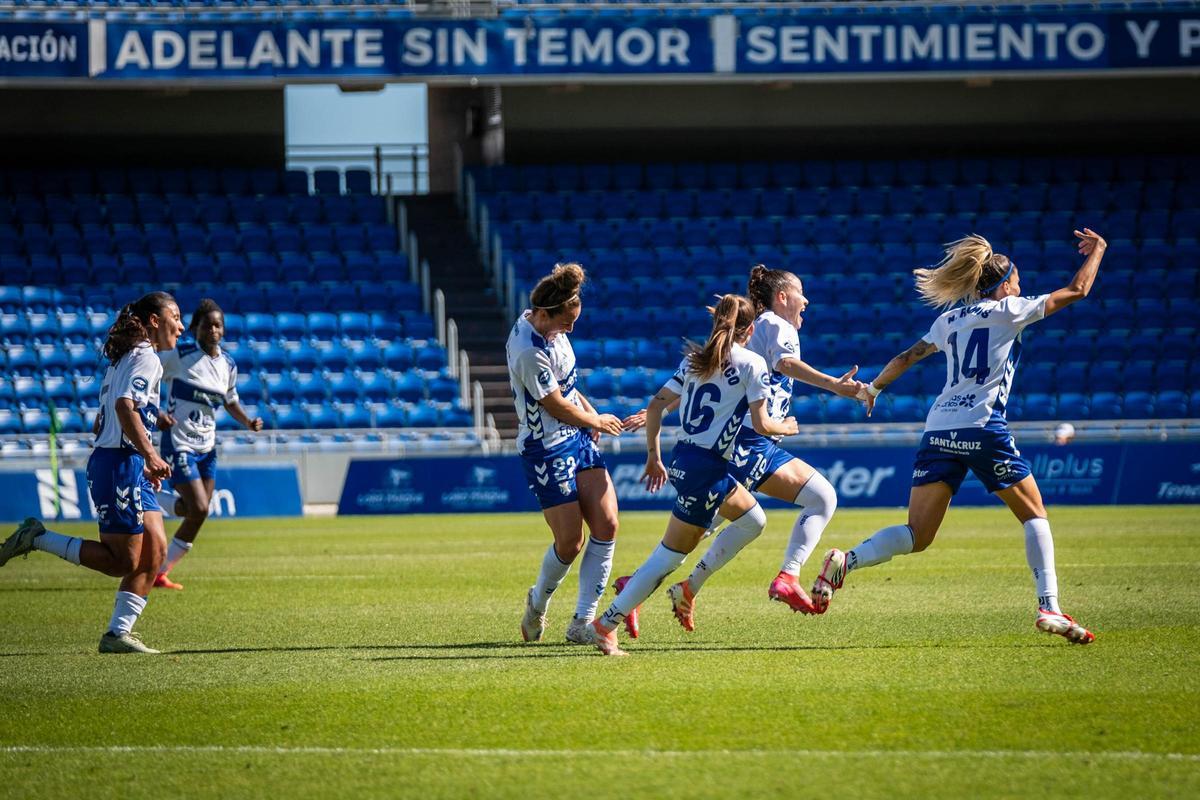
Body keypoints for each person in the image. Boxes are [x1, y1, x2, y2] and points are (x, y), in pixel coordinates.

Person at [812, 230, 1107, 644]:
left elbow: (905, 357)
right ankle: (1049, 606)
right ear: (1004, 285)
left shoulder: (948, 320)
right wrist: (1099, 251)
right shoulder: (1012, 310)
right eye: (1016, 280)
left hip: (939, 428)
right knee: (1034, 514)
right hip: (982, 426)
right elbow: (1078, 289)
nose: (1020, 286)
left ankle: (845, 561)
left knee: (918, 534)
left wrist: (873, 389)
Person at [589, 294, 799, 656]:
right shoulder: (752, 363)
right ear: (749, 330)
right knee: (669, 556)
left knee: (753, 519)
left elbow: (655, 405)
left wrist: (653, 456)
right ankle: (606, 623)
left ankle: (627, 608)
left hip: (686, 457)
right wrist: (788, 426)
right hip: (705, 467)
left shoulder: (695, 360)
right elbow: (763, 425)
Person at [0, 292, 184, 653]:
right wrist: (148, 455)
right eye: (174, 317)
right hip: (119, 463)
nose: (180, 325)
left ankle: (117, 634)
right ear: (153, 321)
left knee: (156, 551)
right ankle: (36, 537)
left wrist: (141, 454)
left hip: (122, 461)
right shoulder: (146, 358)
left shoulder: (125, 360)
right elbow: (123, 406)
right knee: (122, 561)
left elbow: (106, 415)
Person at [508, 263, 636, 645]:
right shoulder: (528, 348)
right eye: (566, 322)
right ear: (545, 314)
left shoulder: (551, 328)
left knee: (608, 524)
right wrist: (597, 419)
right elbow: (554, 405)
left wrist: (590, 417)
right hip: (545, 448)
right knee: (570, 542)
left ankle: (583, 621)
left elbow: (569, 389)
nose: (571, 330)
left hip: (577, 437)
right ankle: (537, 604)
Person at [153, 298, 264, 590]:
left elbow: (230, 400)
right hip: (179, 443)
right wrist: (155, 412)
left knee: (198, 512)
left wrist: (248, 421)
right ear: (195, 328)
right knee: (199, 507)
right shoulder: (180, 355)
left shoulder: (228, 364)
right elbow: (148, 374)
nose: (213, 330)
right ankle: (148, 501)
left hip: (207, 447)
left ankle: (159, 572)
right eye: (207, 325)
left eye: (218, 325)